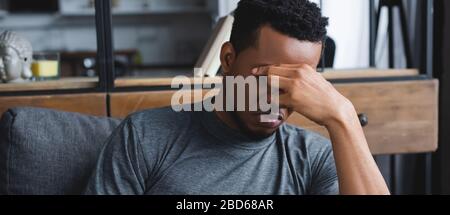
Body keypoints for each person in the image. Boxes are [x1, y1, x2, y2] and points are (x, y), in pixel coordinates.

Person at [85, 0, 390, 195]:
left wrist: (343, 117)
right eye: (265, 77)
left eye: (295, 84)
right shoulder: (144, 137)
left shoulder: (315, 158)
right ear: (228, 59)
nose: (275, 100)